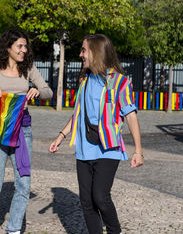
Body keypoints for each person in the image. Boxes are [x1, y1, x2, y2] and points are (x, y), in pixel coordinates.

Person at [49, 34, 144, 234]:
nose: (80, 54)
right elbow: (78, 114)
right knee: (86, 201)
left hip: (109, 149)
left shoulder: (120, 82)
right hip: (85, 149)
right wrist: (61, 136)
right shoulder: (84, 80)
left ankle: (114, 231)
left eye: (84, 50)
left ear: (96, 52)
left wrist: (138, 150)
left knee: (100, 196)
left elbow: (131, 115)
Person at [0, 29, 53, 234]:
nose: (24, 50)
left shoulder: (28, 68)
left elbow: (48, 92)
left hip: (23, 130)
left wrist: (38, 92)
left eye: (25, 46)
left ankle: (13, 229)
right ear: (8, 47)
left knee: (24, 184)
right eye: (20, 46)